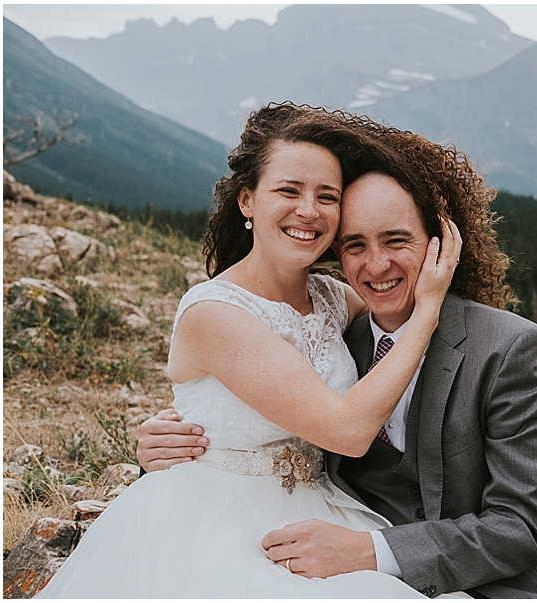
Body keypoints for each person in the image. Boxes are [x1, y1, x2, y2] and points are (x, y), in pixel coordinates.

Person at [140, 123, 537, 598]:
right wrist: (169, 443)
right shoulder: (343, 330)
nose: (376, 266)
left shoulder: (512, 350)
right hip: (303, 542)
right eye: (356, 244)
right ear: (247, 201)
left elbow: (522, 527)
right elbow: (258, 406)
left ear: (440, 239)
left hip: (501, 586)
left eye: (397, 240)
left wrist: (370, 551)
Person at [37, 104, 461, 598]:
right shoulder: (214, 312)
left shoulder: (333, 298)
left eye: (327, 196)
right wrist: (428, 314)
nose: (309, 210)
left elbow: (390, 302)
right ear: (247, 201)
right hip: (213, 520)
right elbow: (346, 429)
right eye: (288, 190)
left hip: (317, 509)